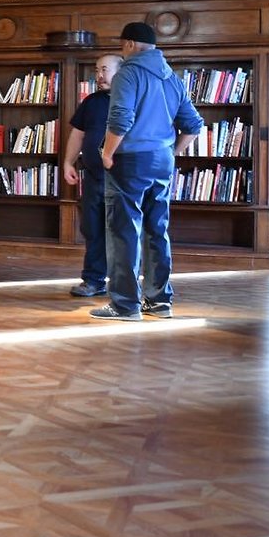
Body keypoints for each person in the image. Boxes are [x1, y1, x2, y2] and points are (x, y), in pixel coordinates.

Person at [91, 22, 203, 321]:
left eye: (122, 45)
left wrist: (107, 153)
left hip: (129, 161)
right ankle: (159, 301)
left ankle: (125, 304)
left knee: (123, 231)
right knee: (157, 230)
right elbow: (193, 125)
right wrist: (171, 152)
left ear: (129, 44)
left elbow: (120, 118)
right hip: (161, 161)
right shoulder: (172, 77)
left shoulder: (128, 73)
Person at [61, 54, 122, 298]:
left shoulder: (131, 99)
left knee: (122, 232)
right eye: (97, 70)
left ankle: (124, 285)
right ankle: (93, 280)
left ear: (121, 72)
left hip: (122, 180)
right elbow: (78, 135)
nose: (99, 76)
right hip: (94, 178)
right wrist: (68, 162)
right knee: (93, 229)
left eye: (105, 70)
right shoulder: (91, 101)